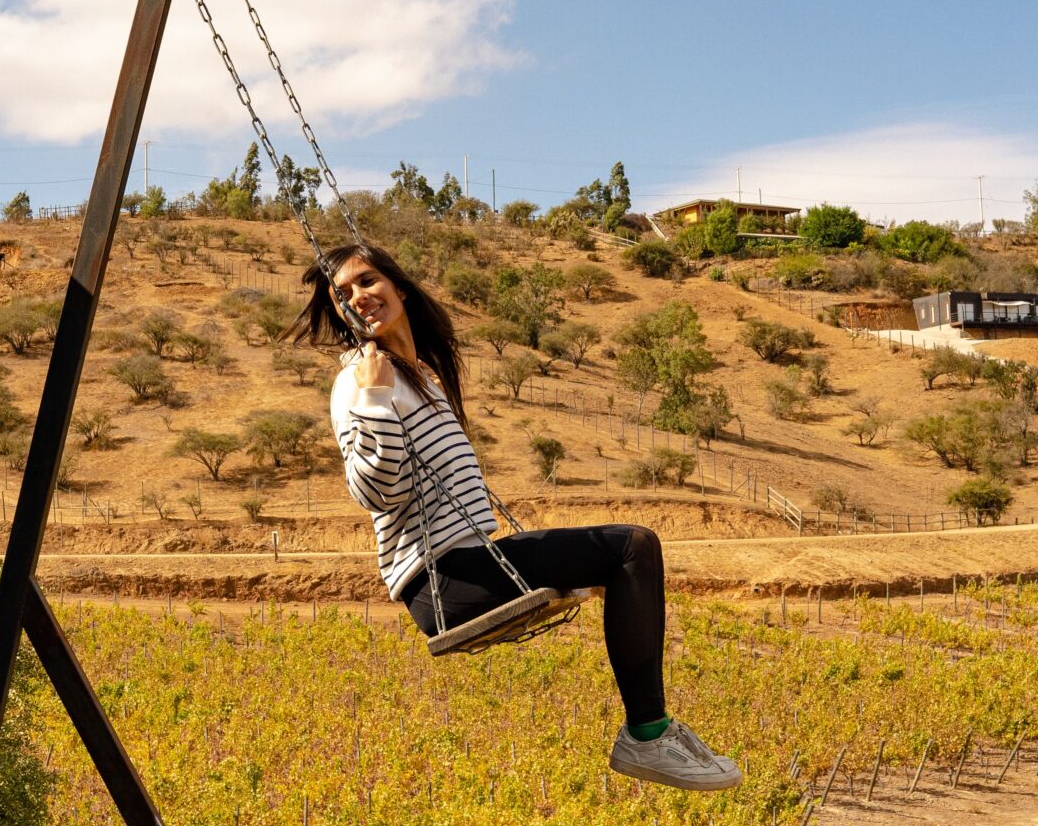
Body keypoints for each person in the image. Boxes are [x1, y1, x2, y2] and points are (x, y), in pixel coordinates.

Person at [293, 242, 740, 792]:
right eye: (343, 295)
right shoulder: (358, 383)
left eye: (366, 281)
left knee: (631, 554)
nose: (358, 298)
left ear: (399, 287)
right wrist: (376, 398)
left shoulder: (424, 376)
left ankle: (656, 728)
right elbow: (376, 492)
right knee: (631, 546)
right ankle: (646, 734)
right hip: (442, 581)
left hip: (472, 559)